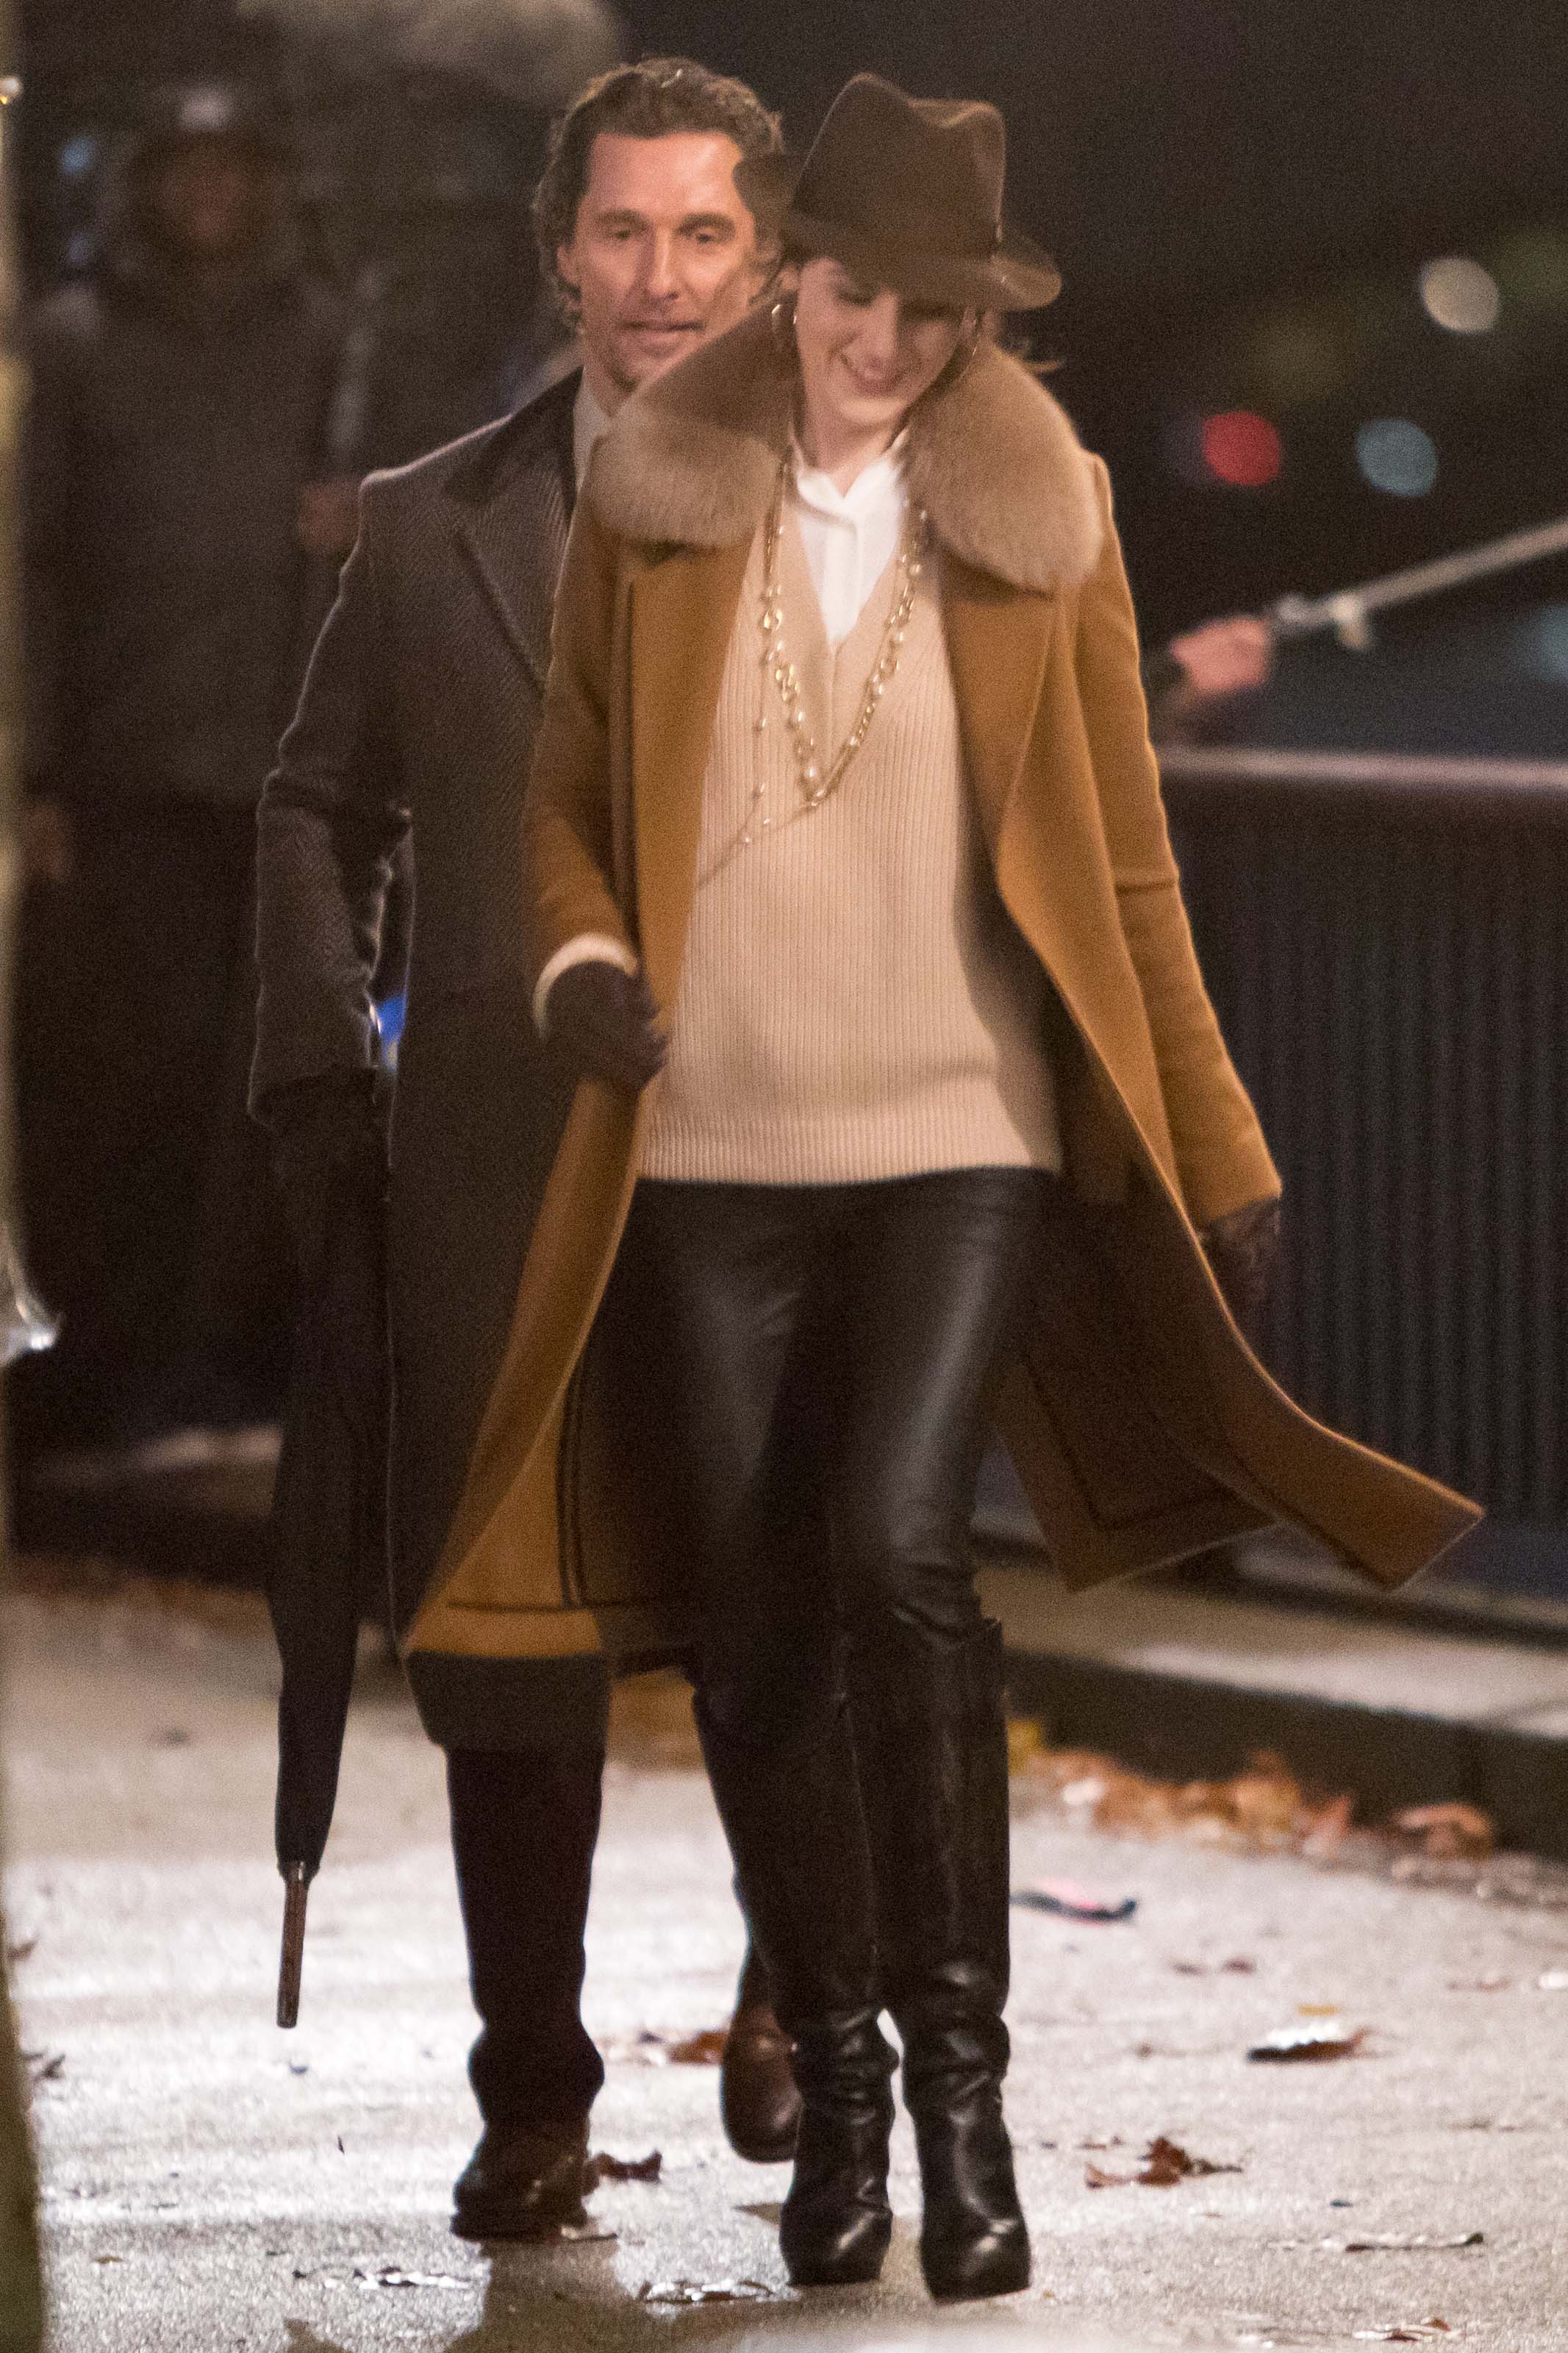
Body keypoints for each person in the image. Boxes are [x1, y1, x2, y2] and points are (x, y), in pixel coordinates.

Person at [485, 74, 1478, 2300]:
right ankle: (826, 2091)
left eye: (935, 314)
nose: (888, 344)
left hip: (962, 1127)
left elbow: (1121, 857)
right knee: (749, 1620)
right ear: (797, 273)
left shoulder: (1047, 507)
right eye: (856, 295)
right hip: (703, 1136)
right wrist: (575, 964)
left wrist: (1215, 1145)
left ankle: (960, 2108)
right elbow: (557, 806)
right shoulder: (648, 498)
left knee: (892, 1550)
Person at [250, 57, 800, 2243]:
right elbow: (316, 804)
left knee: (791, 1607)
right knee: (511, 1654)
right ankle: (533, 2096)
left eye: (704, 236)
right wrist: (327, 1064)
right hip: (496, 1147)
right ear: (557, 250)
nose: (659, 279)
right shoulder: (427, 519)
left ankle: (804, 1980)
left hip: (784, 1145)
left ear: (764, 258)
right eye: (621, 232)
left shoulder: (861, 513)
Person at [18, 81, 346, 1460]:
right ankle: (99, 1363)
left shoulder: (326, 343)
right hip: (121, 777)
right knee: (112, 1086)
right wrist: (31, 775)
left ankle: (231, 1370)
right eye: (185, 167)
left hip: (280, 784)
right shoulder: (73, 344)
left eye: (235, 167)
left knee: (261, 1094)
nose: (210, 193)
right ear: (145, 181)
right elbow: (28, 564)